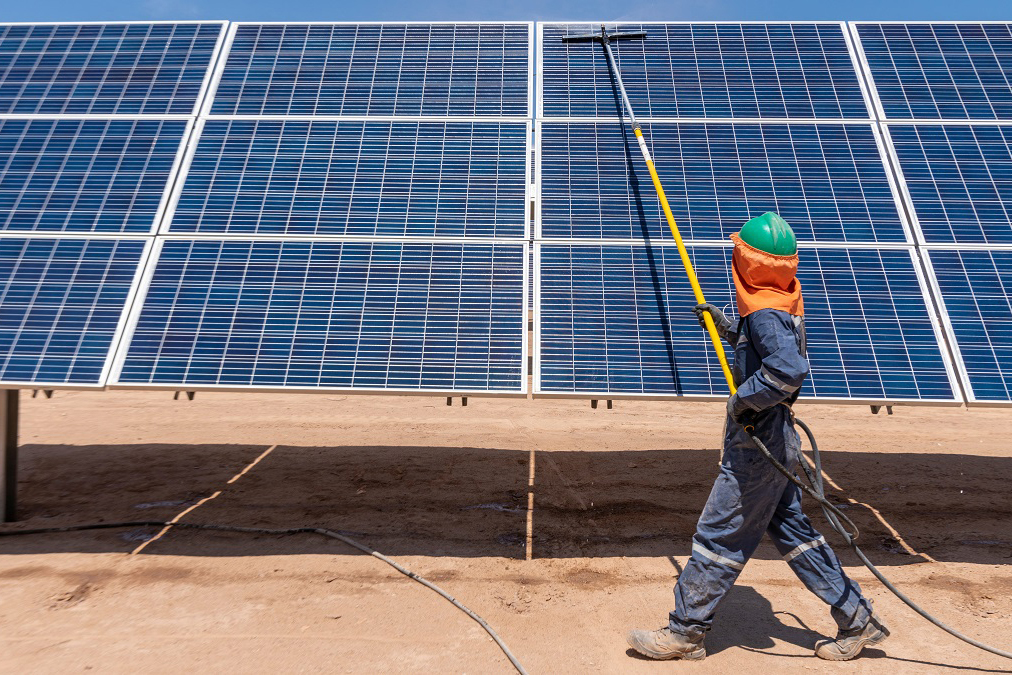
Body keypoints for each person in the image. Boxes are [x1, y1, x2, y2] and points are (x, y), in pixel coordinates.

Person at [626, 212, 888, 662]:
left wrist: (742, 400)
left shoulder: (765, 312)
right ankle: (857, 620)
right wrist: (732, 328)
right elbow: (772, 348)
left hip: (759, 444)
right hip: (777, 439)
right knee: (793, 532)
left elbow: (787, 369)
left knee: (718, 535)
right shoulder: (779, 301)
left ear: (746, 262)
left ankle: (686, 632)